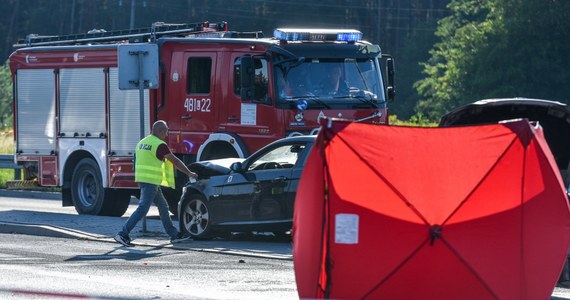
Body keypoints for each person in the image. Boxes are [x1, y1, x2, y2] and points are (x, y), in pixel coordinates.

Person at [114, 120, 198, 247]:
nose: (167, 134)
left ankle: (174, 235)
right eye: (166, 131)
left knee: (163, 206)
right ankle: (122, 234)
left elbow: (135, 163)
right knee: (143, 209)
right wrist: (190, 173)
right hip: (150, 181)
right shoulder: (160, 145)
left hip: (144, 179)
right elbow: (175, 161)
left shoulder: (142, 143)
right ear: (160, 131)